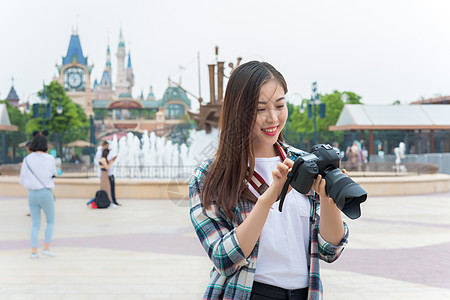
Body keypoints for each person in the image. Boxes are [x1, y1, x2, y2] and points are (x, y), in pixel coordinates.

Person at [189, 61, 349, 300]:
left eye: (280, 105)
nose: (273, 118)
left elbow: (330, 250)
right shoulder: (210, 175)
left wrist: (329, 200)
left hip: (305, 293)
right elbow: (224, 258)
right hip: (247, 293)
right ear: (238, 111)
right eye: (260, 109)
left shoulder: (303, 163)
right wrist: (268, 199)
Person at [19, 131, 57, 259]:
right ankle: (46, 248)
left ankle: (34, 251)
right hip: (46, 192)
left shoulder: (27, 159)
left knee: (35, 224)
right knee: (50, 221)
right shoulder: (50, 158)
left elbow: (22, 179)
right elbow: (53, 173)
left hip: (32, 194)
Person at [95, 141, 120, 205]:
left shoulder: (107, 154)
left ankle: (112, 200)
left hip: (108, 173)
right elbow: (106, 165)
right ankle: (107, 201)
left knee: (110, 188)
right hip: (105, 174)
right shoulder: (100, 154)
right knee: (106, 188)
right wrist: (111, 162)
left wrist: (111, 160)